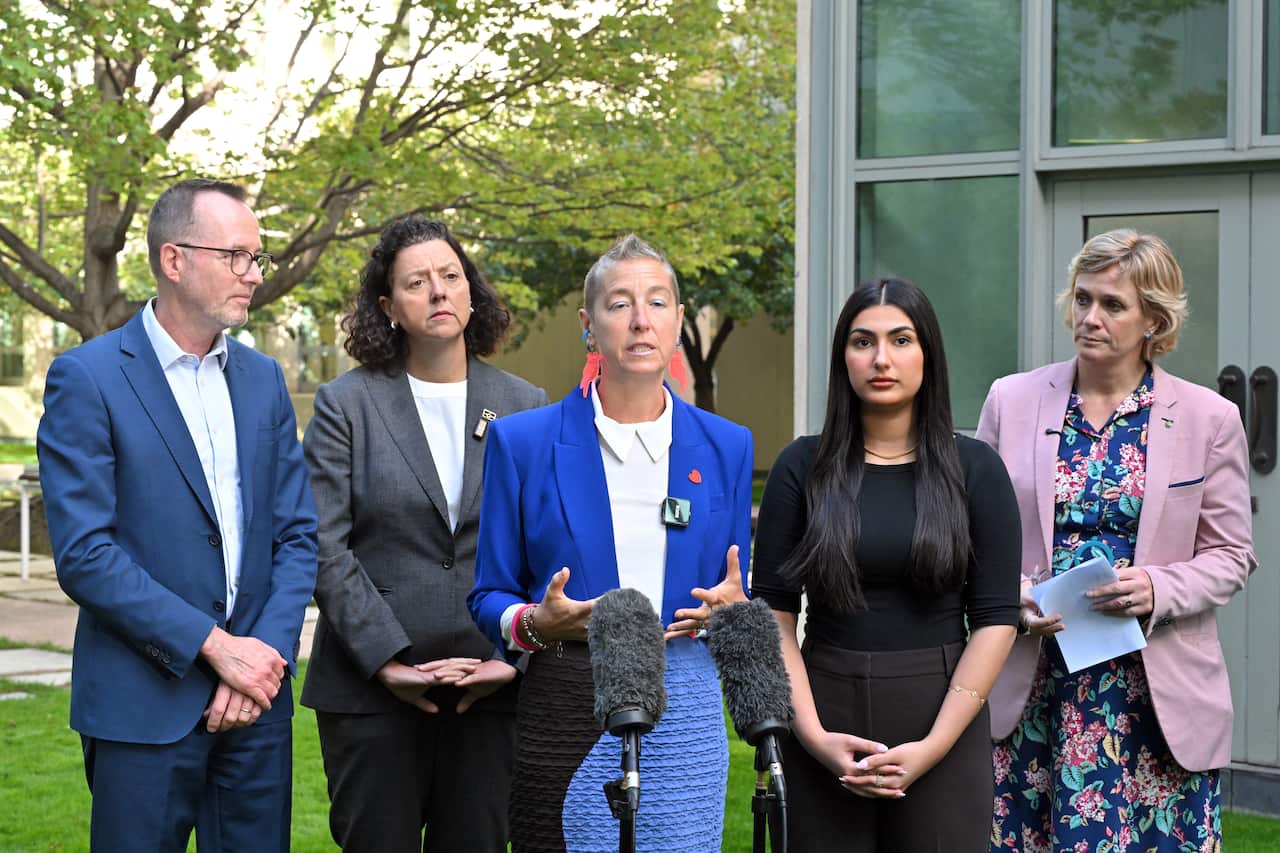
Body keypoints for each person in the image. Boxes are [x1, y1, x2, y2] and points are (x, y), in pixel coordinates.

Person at [36, 178, 318, 852]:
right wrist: (219, 651)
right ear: (174, 259)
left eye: (258, 258)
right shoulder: (89, 377)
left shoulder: (263, 379)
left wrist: (265, 659)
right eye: (238, 256)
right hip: (141, 707)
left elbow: (297, 533)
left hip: (255, 710)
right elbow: (85, 554)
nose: (254, 274)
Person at [467, 234, 753, 851]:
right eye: (620, 303)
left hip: (688, 702)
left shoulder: (728, 445)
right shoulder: (525, 443)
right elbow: (489, 594)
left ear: (678, 320)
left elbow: (735, 588)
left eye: (657, 301)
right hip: (568, 700)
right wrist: (536, 623)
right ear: (589, 326)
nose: (641, 319)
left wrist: (732, 611)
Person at [981, 229, 1257, 852]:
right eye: (1082, 299)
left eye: (1112, 304)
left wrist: (1157, 586)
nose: (1090, 318)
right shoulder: (1011, 399)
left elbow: (1232, 556)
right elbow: (975, 540)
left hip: (1152, 699)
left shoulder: (1209, 418)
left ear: (1153, 321)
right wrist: (1014, 597)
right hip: (1033, 687)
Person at [300, 215, 547, 852]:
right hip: (371, 693)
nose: (438, 292)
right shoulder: (345, 405)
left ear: (471, 292)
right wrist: (388, 660)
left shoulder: (526, 405)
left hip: (490, 688)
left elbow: (549, 548)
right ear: (388, 307)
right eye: (416, 282)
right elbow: (324, 544)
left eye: (450, 276)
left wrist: (511, 659)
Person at [751, 277, 1022, 852]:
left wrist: (934, 745)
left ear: (929, 354)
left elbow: (997, 619)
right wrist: (815, 737)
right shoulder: (801, 467)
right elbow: (774, 613)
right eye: (862, 341)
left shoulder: (975, 469)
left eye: (901, 340)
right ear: (842, 357)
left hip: (943, 709)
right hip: (824, 706)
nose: (881, 358)